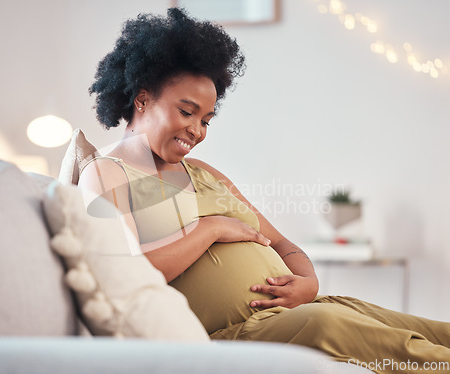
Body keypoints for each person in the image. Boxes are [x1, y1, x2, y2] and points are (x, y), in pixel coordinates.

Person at [78, 8, 450, 374]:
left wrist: (308, 282)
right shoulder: (105, 173)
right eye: (187, 112)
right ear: (142, 98)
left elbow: (285, 246)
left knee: (433, 332)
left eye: (206, 120)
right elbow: (124, 273)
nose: (197, 131)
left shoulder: (204, 173)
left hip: (298, 312)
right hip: (237, 333)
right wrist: (213, 229)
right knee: (350, 332)